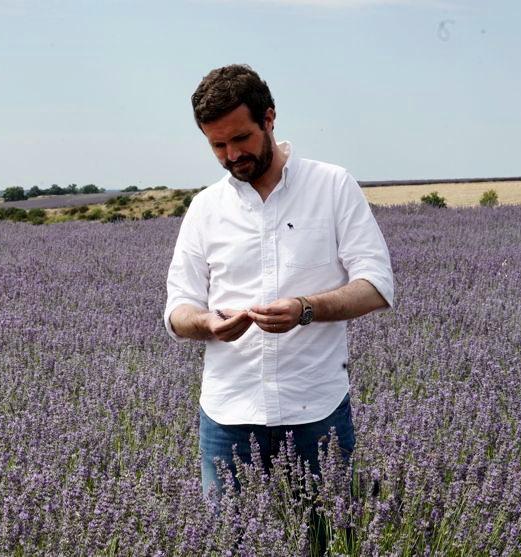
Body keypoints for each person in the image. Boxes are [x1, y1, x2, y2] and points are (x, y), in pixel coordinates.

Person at [164, 64, 395, 499]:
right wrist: (207, 324)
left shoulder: (332, 186)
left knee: (326, 541)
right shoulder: (205, 208)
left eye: (241, 138)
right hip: (228, 414)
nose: (232, 155)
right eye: (217, 145)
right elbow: (178, 310)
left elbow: (378, 284)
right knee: (226, 544)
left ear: (269, 119)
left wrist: (306, 309)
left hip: (316, 411)